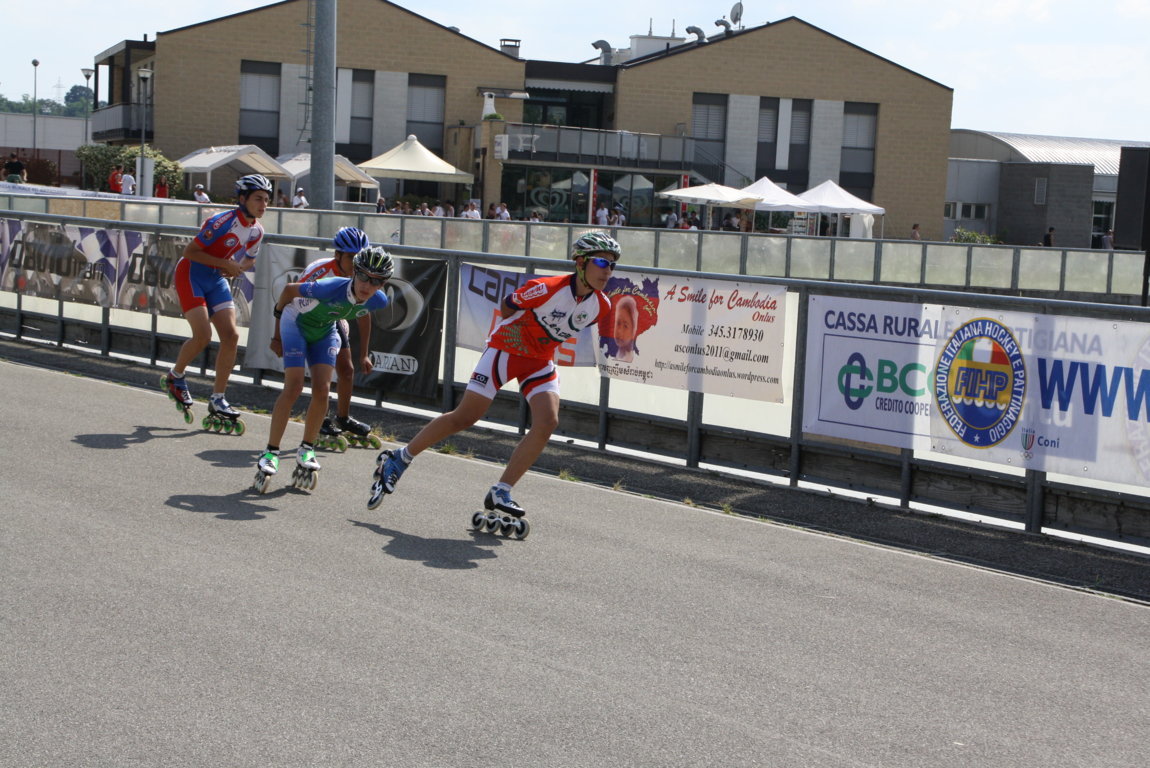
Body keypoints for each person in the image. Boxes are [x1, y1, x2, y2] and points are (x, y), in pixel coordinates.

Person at [368, 231, 621, 525]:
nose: (607, 270)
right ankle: (400, 457)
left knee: (547, 422)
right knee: (465, 416)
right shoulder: (546, 288)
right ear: (580, 262)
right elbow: (508, 305)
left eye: (612, 265)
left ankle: (501, 490)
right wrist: (516, 332)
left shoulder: (602, 305)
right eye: (601, 262)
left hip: (539, 361)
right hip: (506, 350)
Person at [255, 247, 394, 491]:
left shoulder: (378, 300)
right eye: (363, 276)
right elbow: (288, 291)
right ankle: (271, 451)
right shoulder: (330, 286)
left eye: (376, 281)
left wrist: (364, 353)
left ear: (383, 284)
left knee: (322, 390)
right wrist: (276, 335)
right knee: (294, 386)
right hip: (295, 323)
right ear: (354, 273)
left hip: (325, 330)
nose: (367, 285)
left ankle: (306, 449)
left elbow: (363, 313)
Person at [161, 174, 272, 428]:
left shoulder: (257, 230)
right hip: (191, 273)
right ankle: (175, 376)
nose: (263, 205)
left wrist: (238, 268)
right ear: (242, 199)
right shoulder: (222, 222)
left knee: (231, 336)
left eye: (266, 200)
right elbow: (190, 252)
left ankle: (218, 398)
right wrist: (225, 263)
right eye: (258, 199)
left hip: (215, 278)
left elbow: (250, 258)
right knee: (202, 336)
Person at [299, 226, 380, 446]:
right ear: (337, 255)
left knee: (347, 370)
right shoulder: (320, 271)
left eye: (359, 257)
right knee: (322, 374)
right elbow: (293, 298)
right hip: (307, 317)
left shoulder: (362, 275)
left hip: (333, 318)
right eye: (351, 257)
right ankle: (321, 418)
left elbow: (364, 314)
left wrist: (364, 354)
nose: (356, 263)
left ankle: (342, 418)